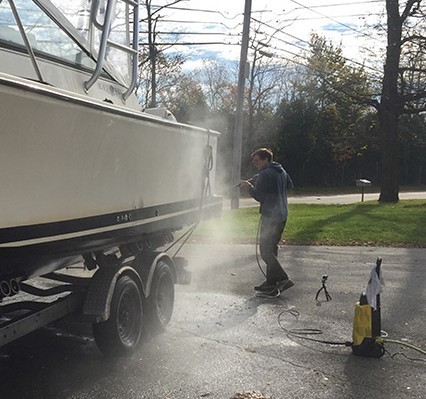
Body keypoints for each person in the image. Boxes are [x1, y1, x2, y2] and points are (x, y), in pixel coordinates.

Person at [239, 148, 294, 295]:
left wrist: (249, 187)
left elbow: (259, 197)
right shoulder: (280, 170)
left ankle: (282, 279)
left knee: (265, 251)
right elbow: (289, 184)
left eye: (257, 161)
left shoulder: (266, 173)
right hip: (282, 215)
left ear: (266, 160)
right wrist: (260, 178)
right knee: (272, 248)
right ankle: (271, 282)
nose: (255, 164)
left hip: (271, 217)